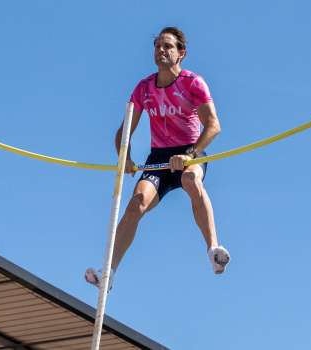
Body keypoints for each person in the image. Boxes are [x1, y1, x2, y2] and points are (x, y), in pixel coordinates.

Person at [86, 27, 230, 290]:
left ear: (181, 53)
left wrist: (190, 154)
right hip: (159, 158)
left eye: (168, 46)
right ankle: (108, 272)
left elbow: (213, 125)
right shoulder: (144, 88)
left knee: (190, 179)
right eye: (158, 46)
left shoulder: (192, 83)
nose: (161, 51)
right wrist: (125, 158)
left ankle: (213, 249)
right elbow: (124, 130)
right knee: (136, 203)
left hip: (190, 150)